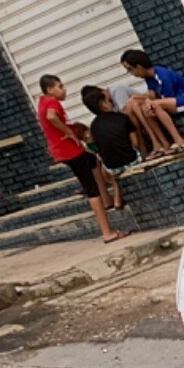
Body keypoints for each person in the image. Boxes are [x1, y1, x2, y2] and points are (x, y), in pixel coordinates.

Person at [35, 75, 130, 244]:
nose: (64, 89)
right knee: (91, 190)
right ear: (50, 90)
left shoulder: (42, 101)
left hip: (63, 150)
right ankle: (107, 232)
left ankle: (107, 200)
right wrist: (69, 132)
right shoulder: (52, 102)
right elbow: (51, 117)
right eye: (60, 86)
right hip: (70, 151)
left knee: (93, 160)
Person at [119, 49, 184, 156]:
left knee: (153, 104)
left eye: (130, 69)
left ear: (139, 67)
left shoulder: (162, 76)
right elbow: (152, 97)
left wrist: (149, 103)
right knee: (141, 104)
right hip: (175, 104)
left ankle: (180, 141)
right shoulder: (149, 78)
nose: (131, 74)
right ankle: (162, 145)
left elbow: (165, 98)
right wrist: (142, 102)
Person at [81, 85, 141, 207]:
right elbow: (135, 143)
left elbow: (99, 148)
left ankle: (117, 195)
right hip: (131, 160)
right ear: (104, 104)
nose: (112, 102)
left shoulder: (93, 126)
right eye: (109, 100)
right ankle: (117, 196)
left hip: (112, 167)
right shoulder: (122, 117)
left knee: (108, 169)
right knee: (132, 155)